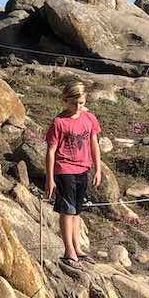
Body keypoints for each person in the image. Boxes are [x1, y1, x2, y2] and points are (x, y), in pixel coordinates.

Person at [45, 80, 102, 267]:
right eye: (73, 103)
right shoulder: (59, 122)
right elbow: (51, 151)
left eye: (81, 103)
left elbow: (94, 143)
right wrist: (50, 178)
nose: (78, 107)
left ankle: (77, 248)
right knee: (67, 210)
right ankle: (69, 250)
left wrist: (98, 168)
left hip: (83, 168)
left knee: (77, 211)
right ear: (65, 100)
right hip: (64, 169)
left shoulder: (89, 119)